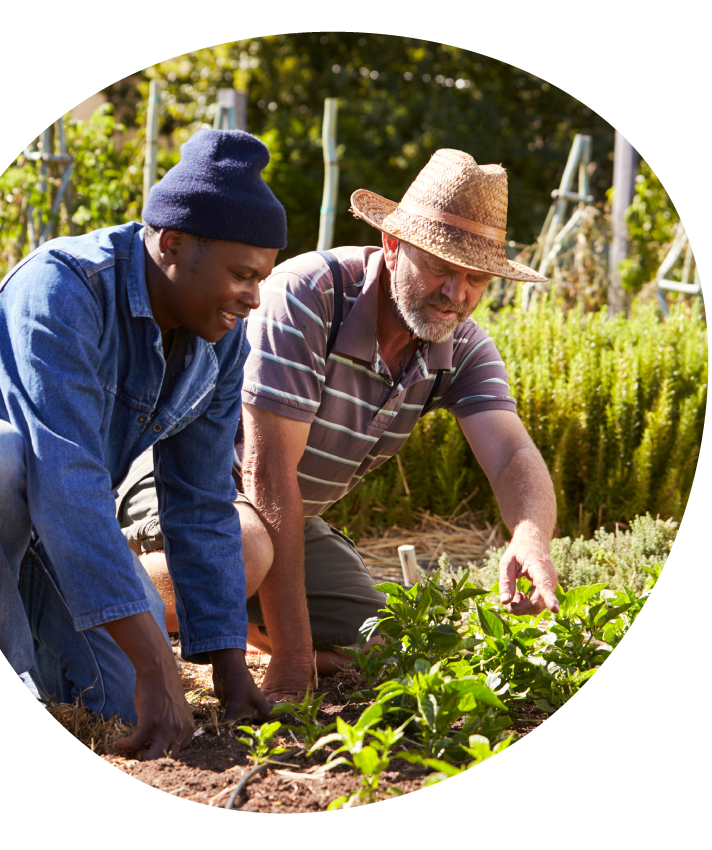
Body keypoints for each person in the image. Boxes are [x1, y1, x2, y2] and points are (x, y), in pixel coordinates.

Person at [116, 148, 561, 702]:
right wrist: (295, 658)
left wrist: (530, 535)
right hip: (187, 486)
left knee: (394, 643)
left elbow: (513, 455)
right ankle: (87, 613)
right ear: (393, 248)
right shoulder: (310, 295)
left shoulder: (459, 343)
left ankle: (241, 627)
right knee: (247, 550)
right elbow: (266, 473)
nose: (457, 293)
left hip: (285, 519)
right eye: (442, 268)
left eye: (475, 278)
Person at [0, 129, 285, 758]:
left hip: (51, 528)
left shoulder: (220, 341)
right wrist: (155, 663)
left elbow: (201, 503)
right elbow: (63, 477)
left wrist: (229, 672)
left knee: (122, 706)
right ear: (172, 244)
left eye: (262, 279)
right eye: (241, 275)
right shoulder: (65, 288)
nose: (254, 298)